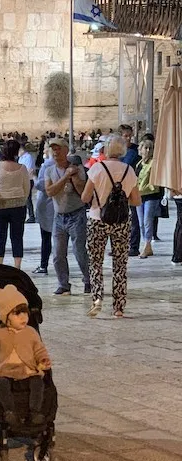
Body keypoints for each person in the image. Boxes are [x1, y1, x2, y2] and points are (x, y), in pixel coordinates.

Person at [82, 134, 141, 318]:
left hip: (97, 219)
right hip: (121, 222)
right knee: (120, 265)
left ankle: (97, 299)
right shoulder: (129, 171)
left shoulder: (96, 169)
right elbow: (136, 201)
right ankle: (118, 307)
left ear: (106, 149)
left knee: (95, 262)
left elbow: (85, 197)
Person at [0, 284, 51, 427]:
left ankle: (35, 412)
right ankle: (9, 411)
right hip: (4, 371)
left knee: (37, 382)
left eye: (25, 312)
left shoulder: (30, 332)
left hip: (26, 371)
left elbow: (39, 349)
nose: (23, 317)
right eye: (17, 314)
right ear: (5, 316)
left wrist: (43, 360)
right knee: (1, 384)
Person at [45, 138, 90, 295]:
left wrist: (73, 175)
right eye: (53, 149)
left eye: (58, 149)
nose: (56, 152)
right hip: (59, 217)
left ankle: (88, 280)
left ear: (65, 151)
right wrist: (65, 177)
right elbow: (50, 191)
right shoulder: (49, 171)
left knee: (79, 251)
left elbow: (83, 190)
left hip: (77, 215)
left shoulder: (77, 169)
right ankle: (63, 284)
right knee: (58, 254)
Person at [0, 139, 30, 269]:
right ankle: (17, 266)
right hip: (18, 206)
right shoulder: (22, 168)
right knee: (17, 236)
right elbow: (26, 189)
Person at [118, 124, 141, 256]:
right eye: (125, 136)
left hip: (131, 187)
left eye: (129, 136)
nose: (128, 138)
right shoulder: (117, 151)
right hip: (118, 189)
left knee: (133, 218)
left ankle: (133, 246)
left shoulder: (135, 151)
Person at [135, 139, 160, 259]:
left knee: (147, 220)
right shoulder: (139, 163)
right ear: (140, 149)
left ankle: (147, 244)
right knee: (141, 223)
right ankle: (146, 244)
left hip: (151, 195)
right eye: (145, 147)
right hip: (140, 195)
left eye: (150, 148)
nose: (148, 150)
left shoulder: (154, 163)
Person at [33, 141, 55, 274]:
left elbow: (41, 185)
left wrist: (34, 178)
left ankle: (43, 265)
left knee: (46, 237)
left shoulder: (47, 165)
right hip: (58, 204)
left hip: (47, 204)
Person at [17, 142, 36, 223]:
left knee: (28, 199)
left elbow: (29, 170)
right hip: (21, 180)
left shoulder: (28, 157)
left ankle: (31, 216)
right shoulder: (21, 158)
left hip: (27, 180)